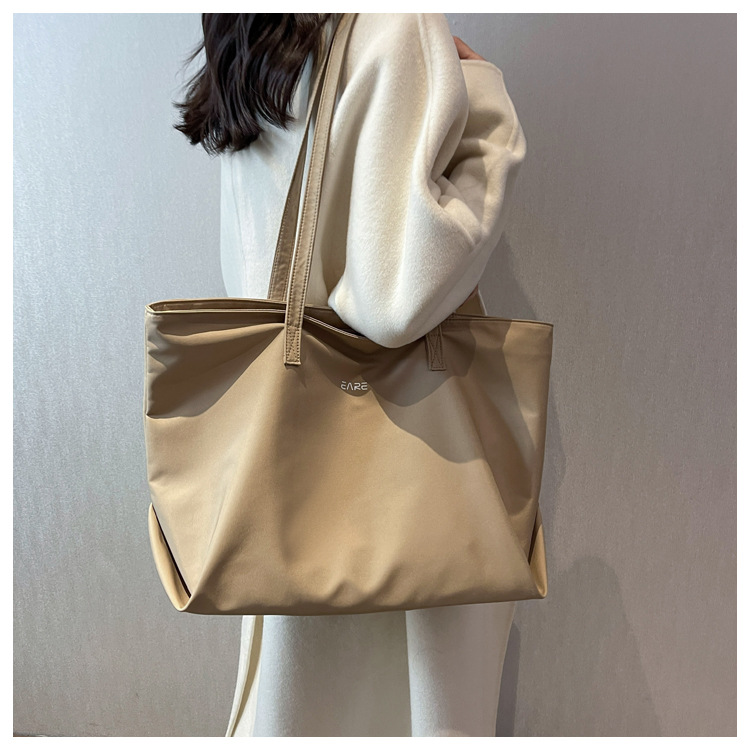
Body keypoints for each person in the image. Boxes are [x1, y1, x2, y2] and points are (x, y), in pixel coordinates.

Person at [173, 12, 527, 737]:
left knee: (296, 704)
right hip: (410, 486)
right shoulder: (393, 24)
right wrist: (487, 109)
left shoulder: (253, 41)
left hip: (288, 464)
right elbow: (398, 298)